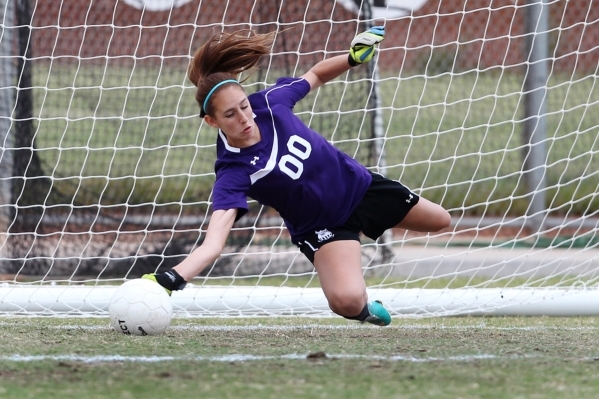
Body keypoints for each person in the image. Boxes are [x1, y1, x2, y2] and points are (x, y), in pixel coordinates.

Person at [143, 26, 451, 326]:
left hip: (360, 188)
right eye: (230, 115)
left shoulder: (270, 103)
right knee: (347, 302)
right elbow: (213, 243)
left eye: (244, 106)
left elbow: (314, 75)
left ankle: (357, 245)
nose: (244, 118)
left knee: (441, 220)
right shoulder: (233, 171)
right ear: (211, 122)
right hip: (324, 228)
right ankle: (364, 305)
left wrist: (353, 59)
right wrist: (172, 279)